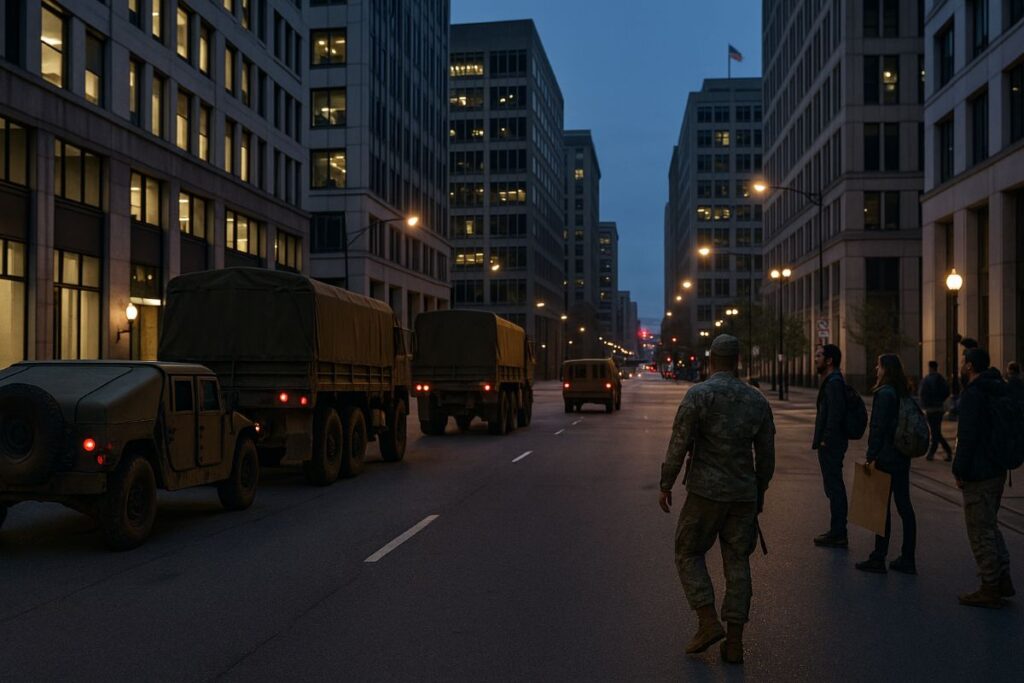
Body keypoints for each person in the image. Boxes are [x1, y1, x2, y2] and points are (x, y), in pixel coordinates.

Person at [659, 334, 775, 665]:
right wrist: (760, 492)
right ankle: (735, 643)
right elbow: (766, 455)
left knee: (688, 551)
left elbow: (679, 442)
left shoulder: (699, 395)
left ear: (711, 360)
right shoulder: (756, 400)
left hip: (706, 493)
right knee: (737, 561)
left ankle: (708, 621)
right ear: (737, 361)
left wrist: (666, 482)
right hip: (743, 495)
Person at [954, 348, 1014, 608]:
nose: (960, 364)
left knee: (979, 530)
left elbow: (967, 437)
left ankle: (989, 586)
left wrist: (959, 469)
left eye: (962, 361)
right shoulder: (997, 388)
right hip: (998, 468)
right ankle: (1002, 578)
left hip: (979, 471)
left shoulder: (973, 394)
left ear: (969, 366)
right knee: (990, 525)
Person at [855, 354, 918, 574]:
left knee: (880, 509)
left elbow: (878, 428)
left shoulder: (884, 394)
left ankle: (878, 557)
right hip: (902, 456)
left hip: (885, 457)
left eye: (879, 365)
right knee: (905, 507)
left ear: (886, 369)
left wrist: (871, 456)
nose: (876, 368)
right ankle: (908, 558)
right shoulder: (903, 392)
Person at [812, 344, 849, 547]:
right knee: (833, 487)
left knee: (835, 487)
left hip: (832, 444)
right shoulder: (832, 381)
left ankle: (838, 532)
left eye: (819, 356)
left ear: (829, 361)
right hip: (831, 443)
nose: (815, 359)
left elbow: (835, 414)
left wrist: (826, 439)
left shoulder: (834, 382)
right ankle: (837, 530)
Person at [919, 360, 952, 461]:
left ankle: (934, 451)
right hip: (939, 408)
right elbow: (947, 391)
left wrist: (924, 405)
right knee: (936, 431)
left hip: (930, 409)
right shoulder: (941, 379)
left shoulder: (926, 380)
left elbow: (922, 393)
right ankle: (942, 451)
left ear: (930, 368)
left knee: (935, 432)